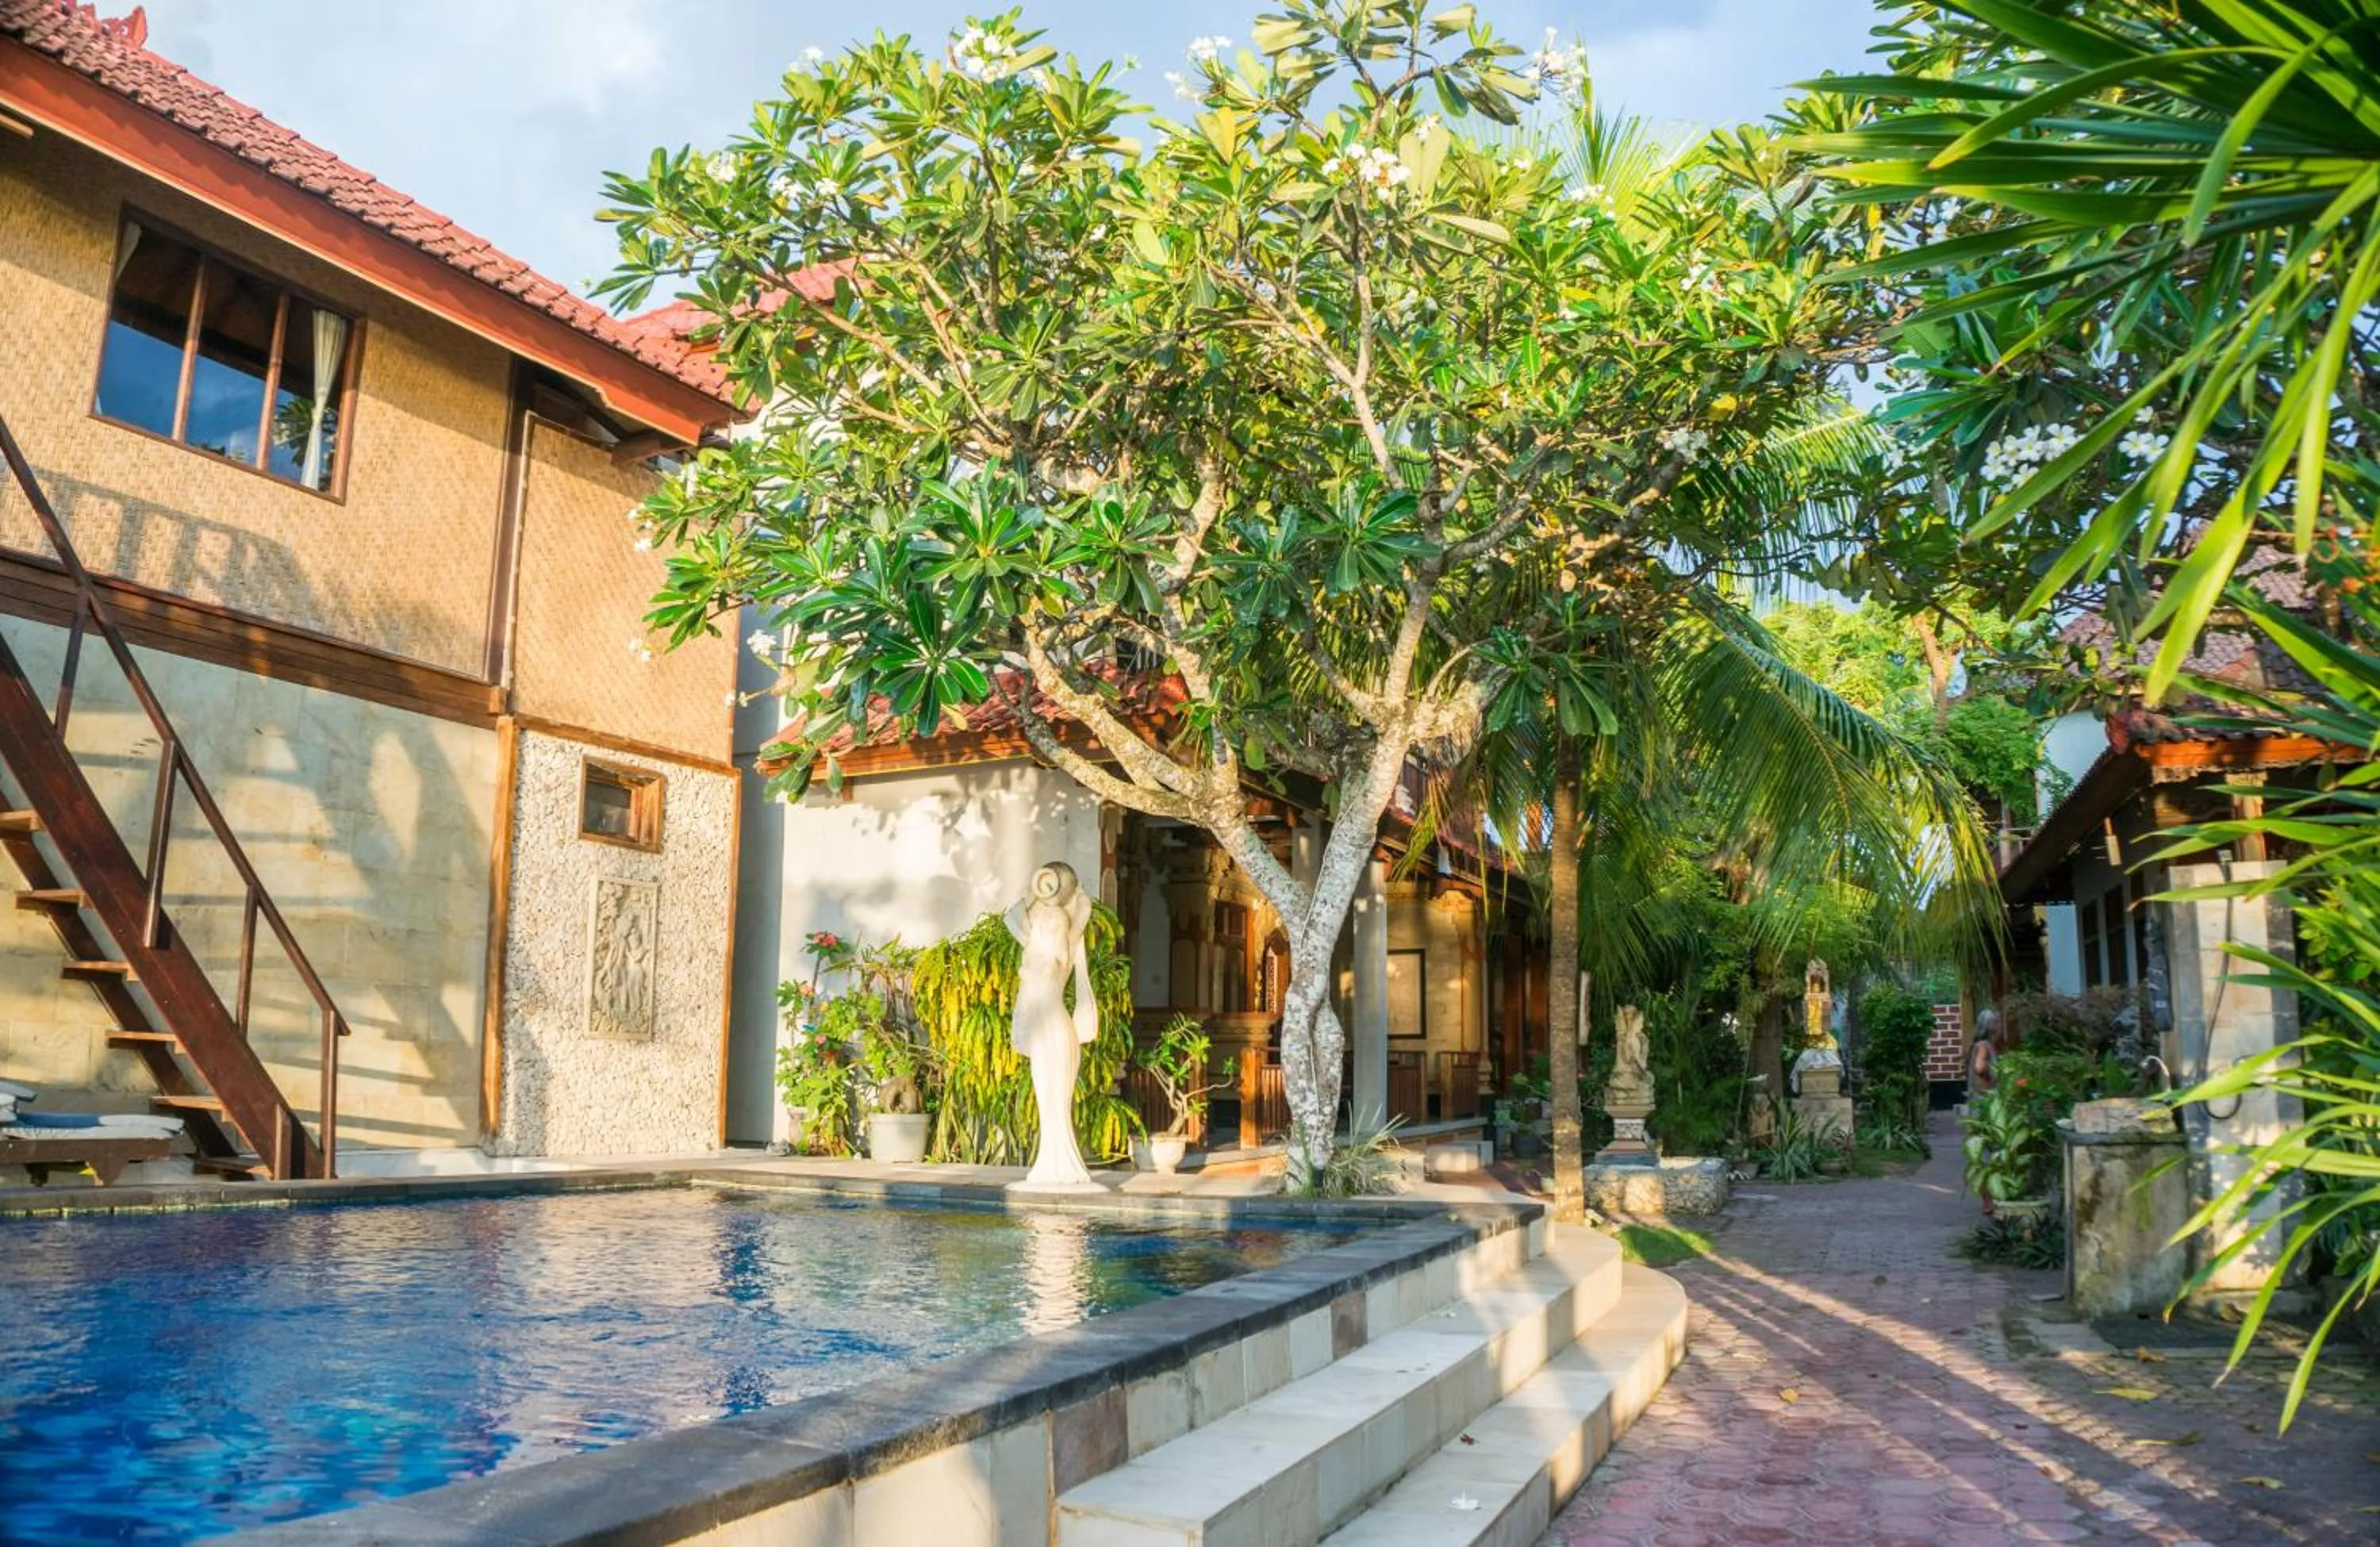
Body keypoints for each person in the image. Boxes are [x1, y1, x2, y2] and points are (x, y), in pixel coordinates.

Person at [1004, 861, 1100, 1189]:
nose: (1041, 925)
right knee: (1048, 1099)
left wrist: (1057, 910)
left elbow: (1049, 941)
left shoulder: (1055, 949)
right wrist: (1039, 891)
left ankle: (1061, 1165)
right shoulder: (1043, 949)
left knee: (1056, 1099)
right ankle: (1051, 1163)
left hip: (1054, 1030)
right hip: (1047, 1029)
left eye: (1048, 922)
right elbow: (1014, 917)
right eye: (1040, 923)